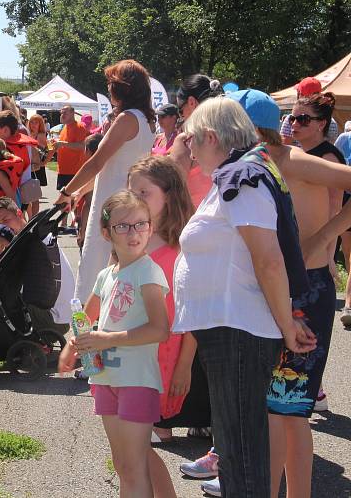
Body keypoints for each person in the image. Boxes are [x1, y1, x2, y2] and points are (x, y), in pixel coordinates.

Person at [173, 97, 316, 497]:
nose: (189, 148)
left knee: (242, 449)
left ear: (212, 137)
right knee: (236, 447)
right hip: (230, 329)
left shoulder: (242, 176)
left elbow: (269, 259)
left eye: (191, 140)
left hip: (239, 331)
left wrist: (287, 325)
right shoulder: (241, 173)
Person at [227, 89, 350, 497]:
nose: (293, 126)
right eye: (289, 119)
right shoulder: (252, 163)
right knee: (281, 410)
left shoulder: (291, 158)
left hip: (307, 293)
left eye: (300, 119)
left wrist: (326, 238)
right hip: (278, 289)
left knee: (285, 409)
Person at [58, 190, 172, 498]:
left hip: (136, 381)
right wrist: (72, 344)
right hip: (105, 378)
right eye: (123, 226)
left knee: (134, 468)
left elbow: (160, 329)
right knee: (123, 466)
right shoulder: (107, 275)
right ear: (107, 233)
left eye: (140, 224)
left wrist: (104, 339)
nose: (133, 232)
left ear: (150, 227)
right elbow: (87, 314)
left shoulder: (148, 272)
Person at [53, 59, 157, 305]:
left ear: (122, 88)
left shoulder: (127, 119)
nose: (109, 88)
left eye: (111, 83)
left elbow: (97, 163)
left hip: (112, 204)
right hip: (127, 201)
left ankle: (84, 333)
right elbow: (113, 167)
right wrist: (82, 192)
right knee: (115, 272)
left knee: (94, 268)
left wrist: (67, 191)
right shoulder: (146, 120)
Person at [126, 156, 196, 443]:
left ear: (169, 196)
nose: (136, 199)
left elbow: (191, 310)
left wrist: (185, 364)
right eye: (132, 192)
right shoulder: (127, 236)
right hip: (129, 342)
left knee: (152, 419)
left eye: (145, 192)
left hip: (167, 346)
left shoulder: (184, 246)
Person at [0, 197, 75, 335]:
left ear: (19, 214)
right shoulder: (35, 236)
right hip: (62, 315)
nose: (4, 227)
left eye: (6, 220)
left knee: (0, 300)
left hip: (52, 319)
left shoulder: (30, 243)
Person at [168, 74, 223, 206]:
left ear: (192, 102)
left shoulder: (186, 141)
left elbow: (172, 192)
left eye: (180, 110)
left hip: (195, 220)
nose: (181, 116)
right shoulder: (235, 136)